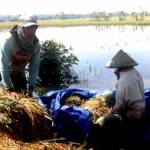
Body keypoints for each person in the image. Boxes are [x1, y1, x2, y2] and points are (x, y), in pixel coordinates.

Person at [104, 49, 146, 149]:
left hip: (132, 115)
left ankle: (118, 141)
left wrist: (110, 113)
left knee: (108, 120)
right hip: (142, 108)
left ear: (120, 67)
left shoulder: (122, 81)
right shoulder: (136, 72)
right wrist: (119, 76)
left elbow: (120, 105)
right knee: (113, 97)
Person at [0, 15, 41, 98]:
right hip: (2, 74)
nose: (31, 31)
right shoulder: (8, 42)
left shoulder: (36, 45)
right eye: (27, 28)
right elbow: (3, 67)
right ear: (20, 28)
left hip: (18, 74)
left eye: (34, 27)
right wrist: (9, 89)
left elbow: (34, 68)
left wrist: (31, 87)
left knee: (25, 98)